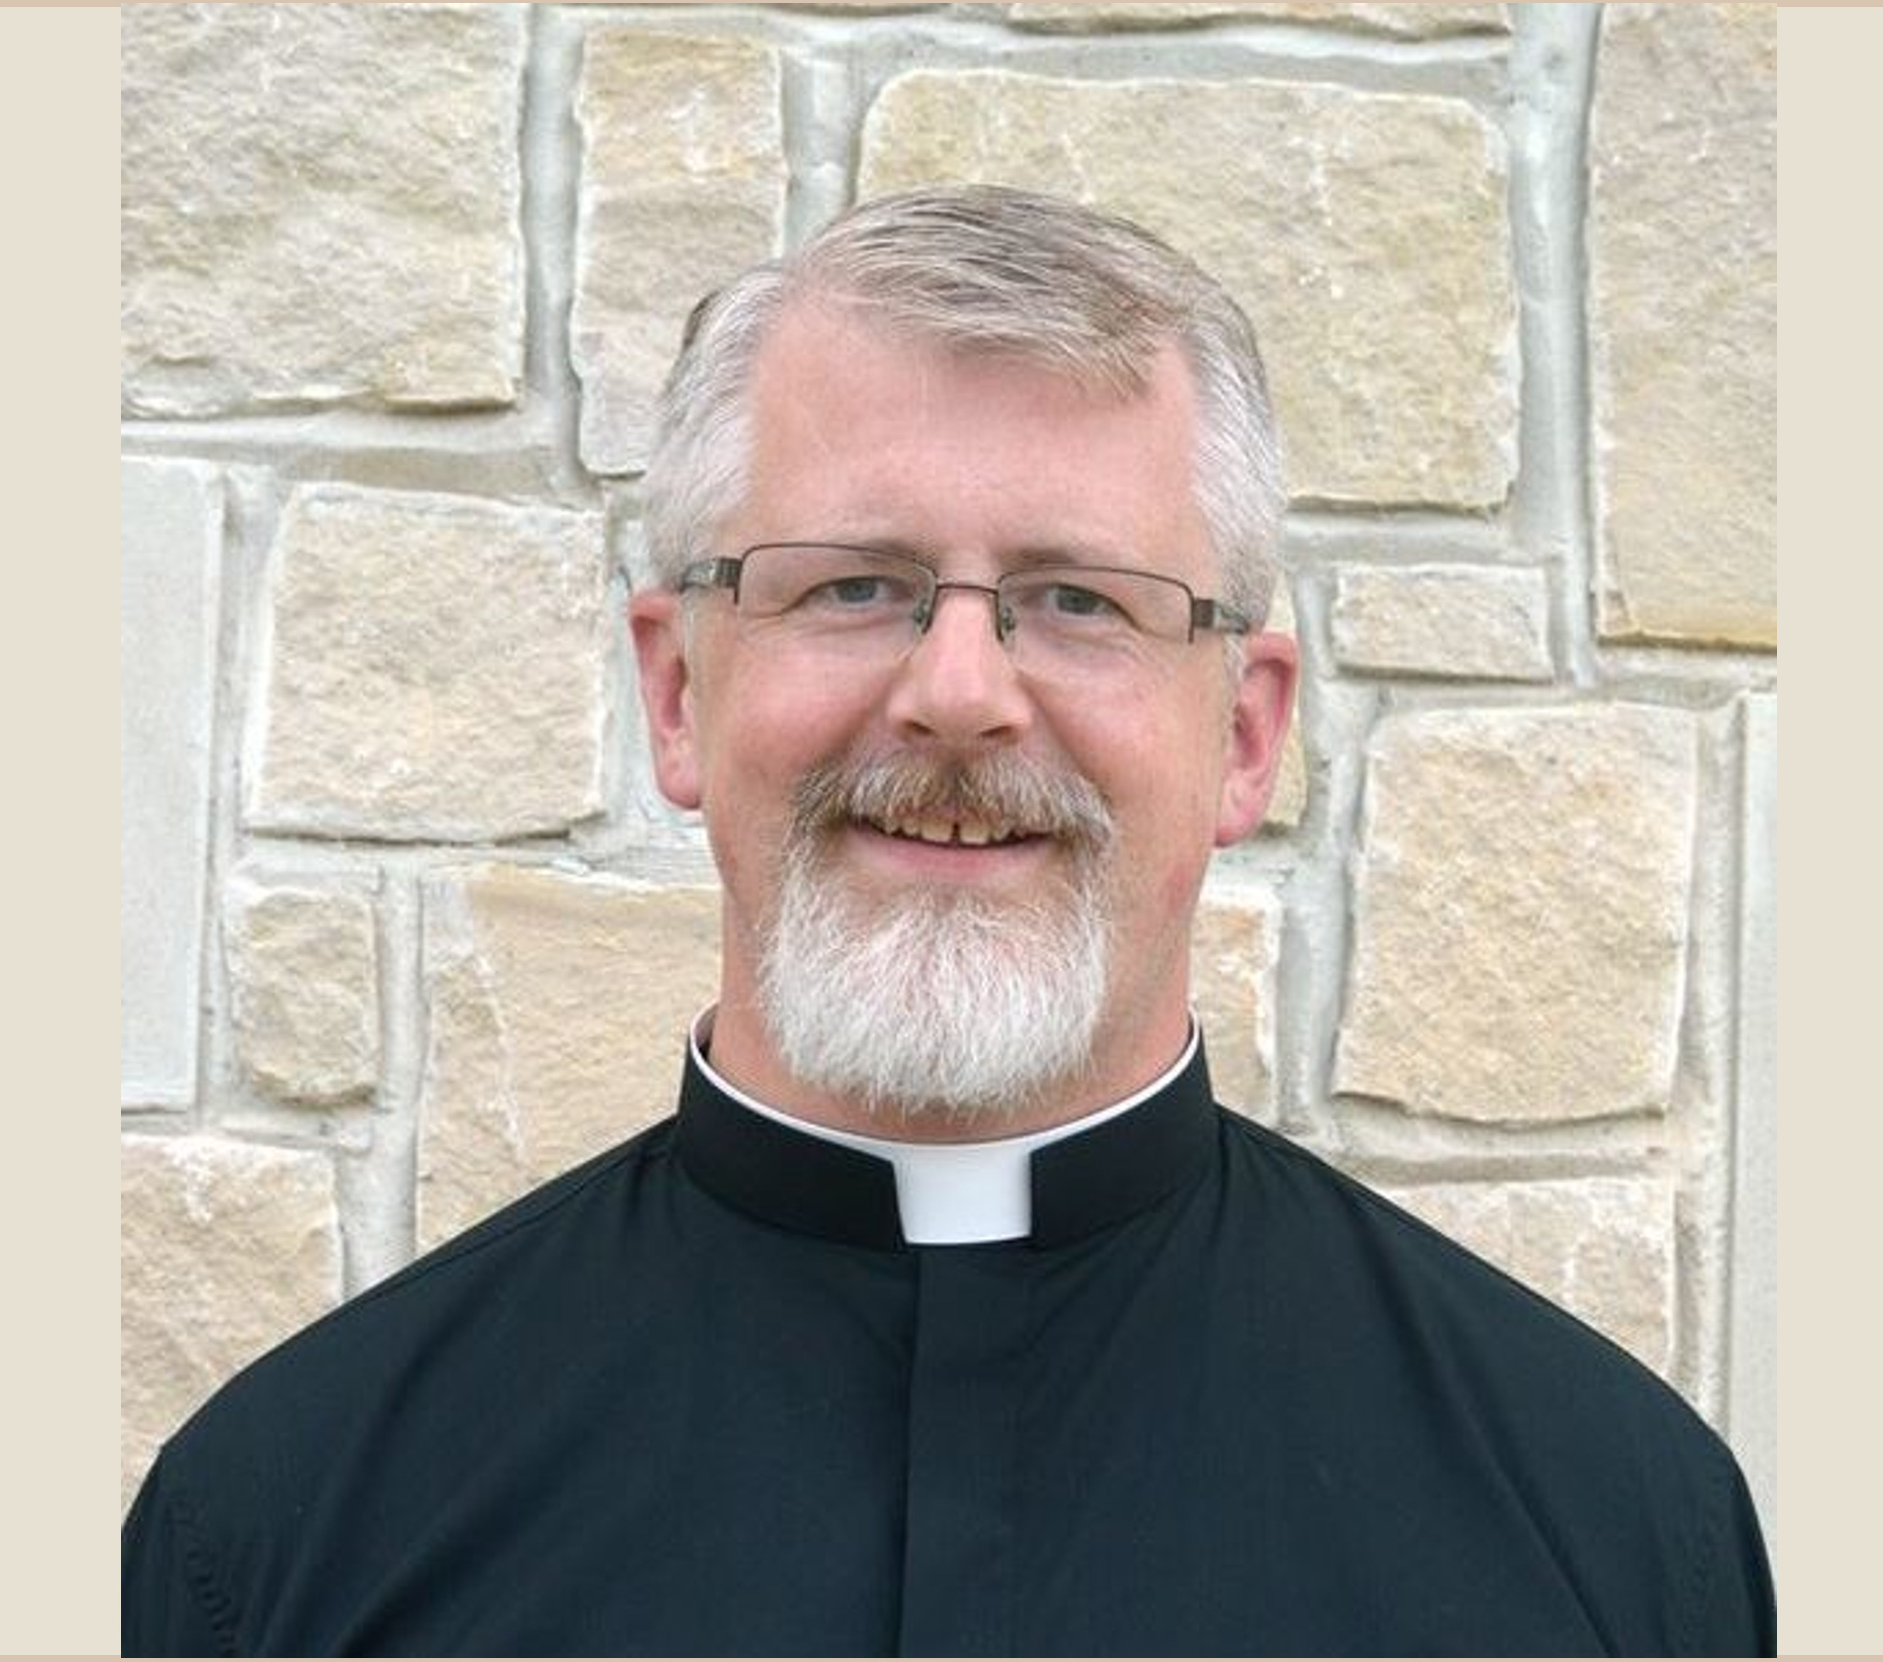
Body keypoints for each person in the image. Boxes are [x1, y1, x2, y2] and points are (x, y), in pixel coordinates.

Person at [123, 183, 1775, 1656]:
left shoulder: (1614, 1529)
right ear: (678, 692)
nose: (961, 690)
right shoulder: (278, 1531)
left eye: (1079, 598)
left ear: (1244, 733)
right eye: (853, 584)